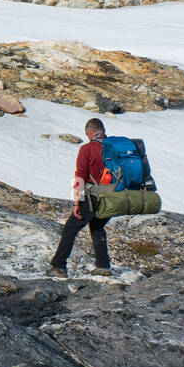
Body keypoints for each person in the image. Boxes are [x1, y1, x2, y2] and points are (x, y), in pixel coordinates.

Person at [48, 117, 112, 277]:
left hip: (94, 196)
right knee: (97, 227)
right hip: (114, 196)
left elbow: (81, 176)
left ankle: (58, 266)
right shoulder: (116, 147)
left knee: (70, 229)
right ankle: (103, 266)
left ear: (89, 132)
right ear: (102, 131)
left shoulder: (87, 149)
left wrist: (77, 202)